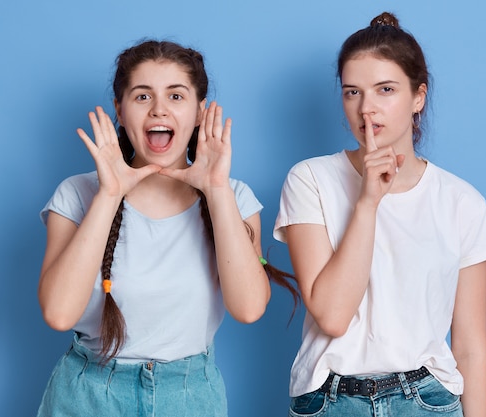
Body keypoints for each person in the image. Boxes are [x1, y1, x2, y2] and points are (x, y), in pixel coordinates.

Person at [36, 39, 297, 417]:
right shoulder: (77, 194)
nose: (159, 109)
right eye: (142, 97)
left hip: (189, 397)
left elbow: (249, 307)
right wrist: (110, 194)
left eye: (176, 96)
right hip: (87, 396)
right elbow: (59, 314)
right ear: (120, 111)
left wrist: (217, 189)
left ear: (199, 113)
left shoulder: (234, 196)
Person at [274, 12, 486, 417]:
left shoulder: (462, 202)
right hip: (330, 400)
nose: (366, 108)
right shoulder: (309, 180)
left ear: (418, 97)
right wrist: (367, 203)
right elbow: (332, 315)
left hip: (426, 400)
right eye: (352, 92)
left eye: (385, 89)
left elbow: (469, 345)